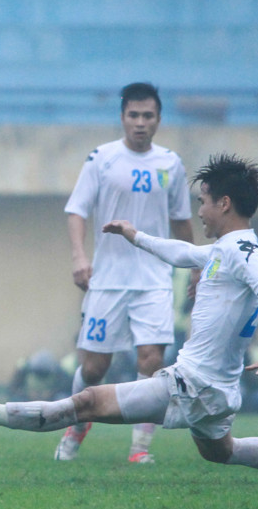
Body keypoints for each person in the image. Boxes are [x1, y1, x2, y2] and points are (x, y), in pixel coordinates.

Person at [0, 153, 258, 486]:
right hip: (217, 390)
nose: (199, 210)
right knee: (223, 452)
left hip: (192, 384)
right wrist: (135, 235)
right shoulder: (228, 249)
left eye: (203, 201)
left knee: (86, 401)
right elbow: (182, 252)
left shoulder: (242, 252)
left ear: (224, 203)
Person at [61, 82, 195, 464]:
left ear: (158, 119)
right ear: (122, 118)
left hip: (154, 280)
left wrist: (196, 268)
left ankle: (139, 448)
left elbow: (181, 221)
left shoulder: (170, 163)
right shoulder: (101, 158)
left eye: (148, 116)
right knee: (94, 366)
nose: (140, 123)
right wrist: (78, 257)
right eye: (133, 115)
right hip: (108, 279)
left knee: (152, 360)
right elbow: (77, 210)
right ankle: (76, 427)